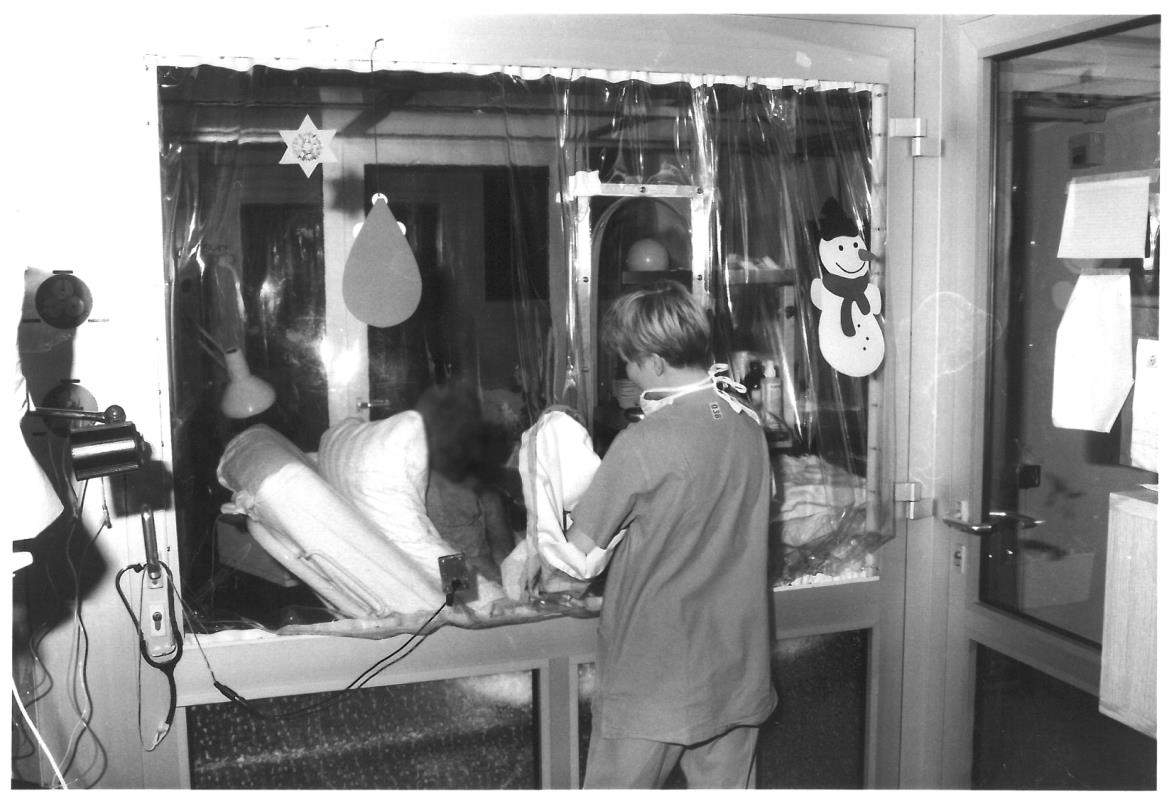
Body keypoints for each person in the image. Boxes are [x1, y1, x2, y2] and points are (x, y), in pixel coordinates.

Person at [566, 280, 777, 788]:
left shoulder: (641, 443)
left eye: (629, 363)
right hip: (734, 669)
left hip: (654, 677)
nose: (628, 374)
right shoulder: (748, 426)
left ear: (655, 363)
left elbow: (576, 555)